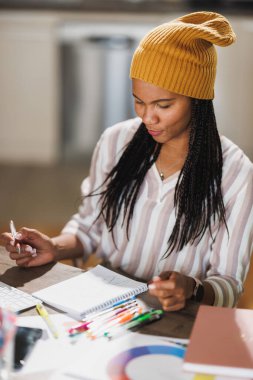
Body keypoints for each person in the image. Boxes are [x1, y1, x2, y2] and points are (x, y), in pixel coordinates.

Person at [1, 11, 253, 312]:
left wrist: (192, 289)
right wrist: (55, 247)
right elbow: (90, 226)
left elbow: (229, 286)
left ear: (198, 99)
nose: (147, 117)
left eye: (164, 105)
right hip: (105, 305)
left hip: (180, 317)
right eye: (139, 101)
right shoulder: (116, 141)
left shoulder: (237, 174)